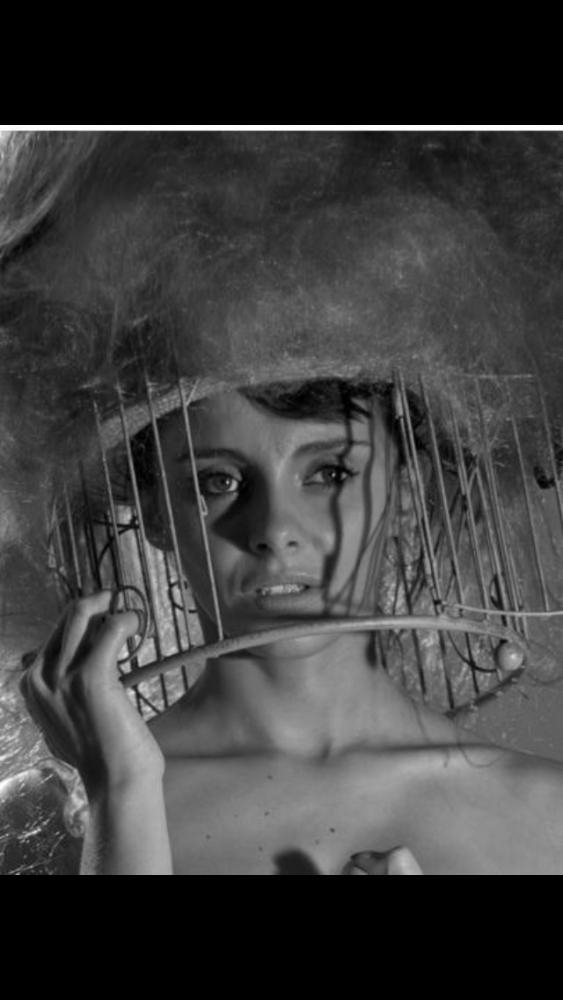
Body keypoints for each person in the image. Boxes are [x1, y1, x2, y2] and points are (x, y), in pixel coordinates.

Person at [6, 131, 563, 873]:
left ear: (406, 488)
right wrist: (122, 793)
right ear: (155, 509)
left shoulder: (549, 822)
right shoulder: (37, 827)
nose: (273, 530)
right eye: (217, 481)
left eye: (328, 472)